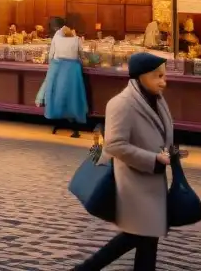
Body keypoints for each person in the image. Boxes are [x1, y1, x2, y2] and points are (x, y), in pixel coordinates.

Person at [73, 53, 175, 271]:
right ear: (141, 76)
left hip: (154, 181)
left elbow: (162, 132)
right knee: (139, 235)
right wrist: (152, 159)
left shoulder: (158, 100)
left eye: (164, 75)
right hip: (133, 181)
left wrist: (170, 153)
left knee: (146, 237)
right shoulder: (121, 104)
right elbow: (114, 145)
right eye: (157, 76)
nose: (163, 81)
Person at [36, 23, 88, 137]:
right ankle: (74, 125)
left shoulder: (56, 37)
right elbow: (82, 56)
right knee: (73, 97)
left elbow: (51, 55)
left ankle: (59, 120)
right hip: (73, 71)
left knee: (58, 95)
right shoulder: (77, 40)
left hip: (58, 69)